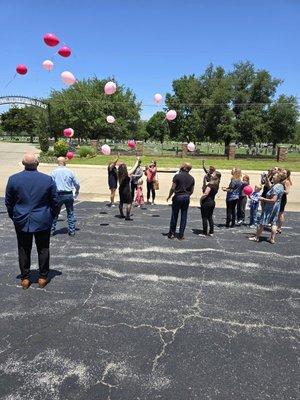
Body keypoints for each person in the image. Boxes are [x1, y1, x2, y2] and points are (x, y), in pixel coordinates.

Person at [5, 153, 58, 289]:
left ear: (23, 163)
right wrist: (51, 216)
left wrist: (15, 216)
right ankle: (42, 277)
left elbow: (8, 202)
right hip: (42, 219)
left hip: (21, 219)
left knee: (23, 249)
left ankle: (25, 278)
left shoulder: (13, 179)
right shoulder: (48, 180)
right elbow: (55, 202)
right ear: (37, 163)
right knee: (43, 248)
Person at [249, 171, 286, 244]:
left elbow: (273, 200)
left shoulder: (276, 187)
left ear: (278, 178)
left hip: (270, 206)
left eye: (274, 176)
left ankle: (257, 237)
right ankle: (272, 239)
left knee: (262, 222)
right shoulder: (280, 185)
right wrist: (266, 177)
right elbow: (270, 185)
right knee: (274, 222)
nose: (273, 176)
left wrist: (262, 199)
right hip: (276, 207)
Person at [51, 157, 80, 236]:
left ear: (58, 163)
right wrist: (77, 190)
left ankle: (51, 230)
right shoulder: (70, 172)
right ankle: (72, 230)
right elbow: (76, 183)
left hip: (58, 195)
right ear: (65, 163)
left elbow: (51, 184)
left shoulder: (54, 172)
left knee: (55, 213)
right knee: (70, 213)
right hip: (68, 194)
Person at [167, 163, 195, 240]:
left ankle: (172, 233)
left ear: (184, 167)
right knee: (184, 216)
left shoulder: (177, 176)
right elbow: (192, 191)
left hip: (178, 197)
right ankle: (181, 234)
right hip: (186, 197)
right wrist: (187, 195)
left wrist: (169, 195)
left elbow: (173, 188)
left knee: (174, 215)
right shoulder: (192, 178)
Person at [200, 172, 221, 236]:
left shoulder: (210, 185)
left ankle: (204, 232)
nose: (212, 174)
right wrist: (204, 179)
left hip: (206, 202)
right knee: (210, 217)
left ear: (215, 176)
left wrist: (201, 199)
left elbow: (205, 193)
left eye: (213, 174)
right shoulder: (216, 184)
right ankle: (211, 232)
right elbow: (204, 188)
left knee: (204, 217)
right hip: (212, 202)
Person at [277, 169, 292, 234]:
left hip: (282, 199)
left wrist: (280, 190)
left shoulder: (286, 181)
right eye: (282, 172)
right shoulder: (280, 180)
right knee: (277, 213)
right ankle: (276, 226)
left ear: (287, 175)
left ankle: (279, 228)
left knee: (280, 213)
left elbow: (287, 192)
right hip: (277, 198)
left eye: (285, 173)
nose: (283, 174)